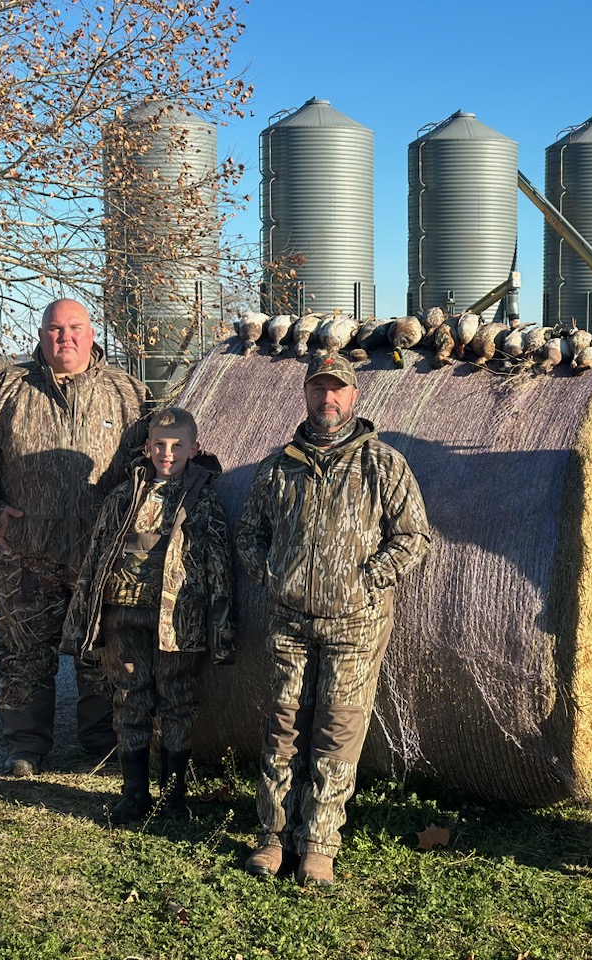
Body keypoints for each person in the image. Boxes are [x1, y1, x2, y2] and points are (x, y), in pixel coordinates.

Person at [236, 352, 431, 887]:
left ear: (354, 396)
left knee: (336, 732)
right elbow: (249, 534)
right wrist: (274, 576)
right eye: (319, 388)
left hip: (356, 624)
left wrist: (366, 582)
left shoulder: (383, 464)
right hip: (290, 621)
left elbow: (414, 537)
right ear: (304, 394)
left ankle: (319, 844)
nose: (328, 398)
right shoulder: (278, 466)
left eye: (337, 389)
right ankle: (273, 837)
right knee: (283, 726)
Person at [0, 298, 150, 776]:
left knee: (101, 649)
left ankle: (101, 742)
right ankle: (25, 746)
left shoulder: (127, 392)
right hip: (25, 552)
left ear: (91, 332)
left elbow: (154, 464)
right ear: (41, 335)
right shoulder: (7, 388)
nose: (66, 337)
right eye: (55, 329)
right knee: (23, 653)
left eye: (75, 328)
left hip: (99, 555)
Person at [63, 407, 235, 823]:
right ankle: (134, 794)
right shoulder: (124, 496)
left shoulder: (203, 500)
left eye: (177, 446)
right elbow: (97, 557)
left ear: (194, 449)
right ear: (147, 446)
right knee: (129, 699)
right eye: (160, 444)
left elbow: (220, 567)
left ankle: (174, 797)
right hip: (124, 615)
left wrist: (222, 629)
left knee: (177, 701)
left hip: (178, 620)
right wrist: (83, 619)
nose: (168, 453)